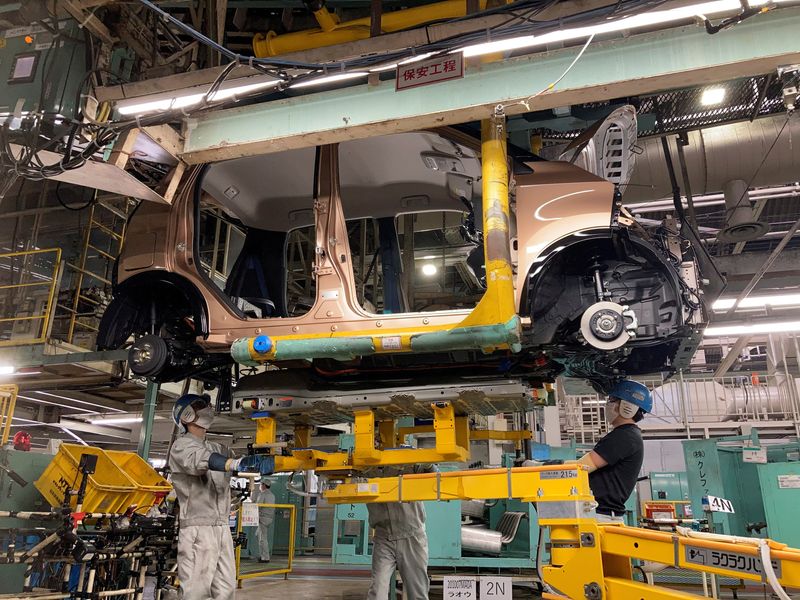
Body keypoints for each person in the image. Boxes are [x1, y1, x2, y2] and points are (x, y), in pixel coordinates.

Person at [169, 394, 273, 600]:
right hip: (199, 529)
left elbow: (233, 459)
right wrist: (232, 464)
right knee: (196, 593)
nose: (208, 409)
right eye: (200, 406)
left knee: (226, 589)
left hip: (222, 527)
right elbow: (201, 461)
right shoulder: (181, 446)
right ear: (186, 415)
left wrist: (264, 460)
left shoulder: (216, 447)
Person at [578, 380, 652, 523]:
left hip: (601, 517)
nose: (608, 405)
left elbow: (581, 467)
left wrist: (540, 468)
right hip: (602, 515)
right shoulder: (627, 435)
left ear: (627, 407)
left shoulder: (624, 436)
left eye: (612, 400)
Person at [366, 464, 434, 600]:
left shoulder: (407, 462)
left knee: (417, 592)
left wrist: (429, 464)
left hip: (411, 535)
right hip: (383, 537)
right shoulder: (366, 469)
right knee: (377, 590)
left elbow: (432, 475)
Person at [254, 480, 275, 563]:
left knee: (262, 539)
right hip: (269, 518)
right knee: (259, 535)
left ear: (264, 485)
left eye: (260, 484)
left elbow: (258, 505)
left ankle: (265, 557)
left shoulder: (263, 494)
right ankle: (263, 555)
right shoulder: (272, 495)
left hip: (263, 518)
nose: (260, 486)